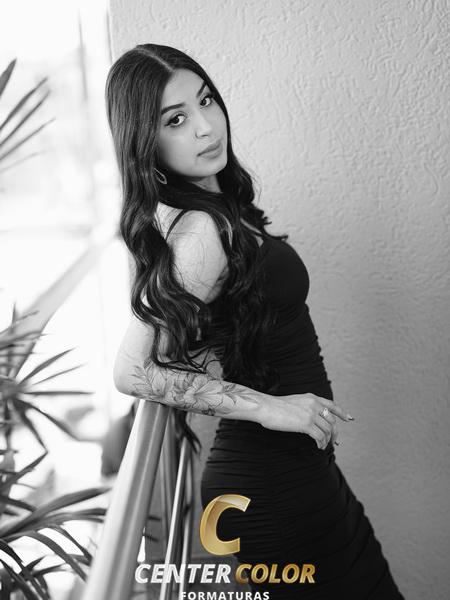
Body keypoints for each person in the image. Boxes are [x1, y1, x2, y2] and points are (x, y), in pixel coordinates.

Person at [107, 43, 405, 599]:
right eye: (176, 120)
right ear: (146, 143)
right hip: (272, 487)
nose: (205, 126)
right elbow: (131, 371)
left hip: (300, 475)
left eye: (206, 101)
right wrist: (268, 408)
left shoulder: (218, 209)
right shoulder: (201, 232)